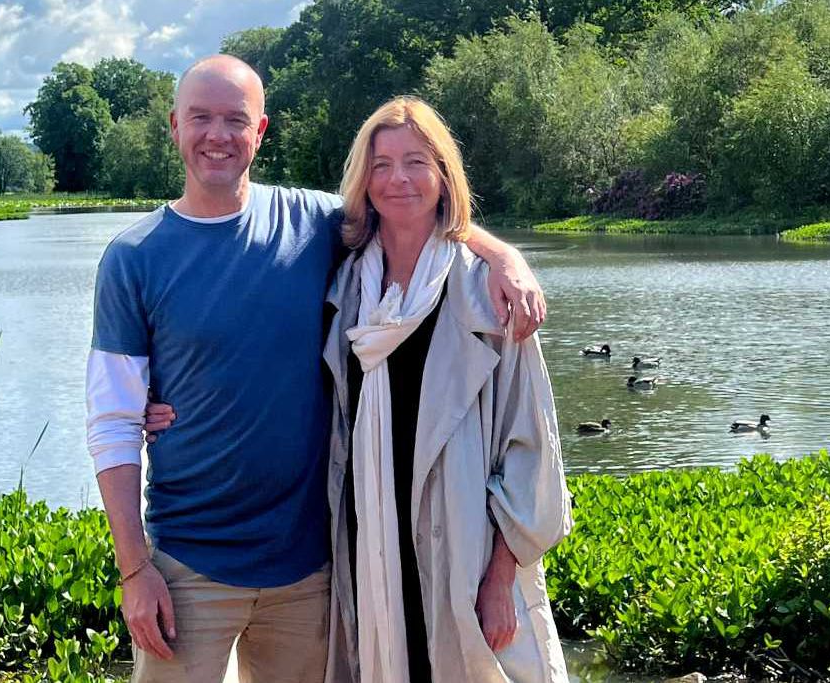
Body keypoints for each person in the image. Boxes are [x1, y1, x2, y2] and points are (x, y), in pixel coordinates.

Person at [84, 56, 547, 683]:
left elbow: (411, 206)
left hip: (310, 570)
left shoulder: (312, 223)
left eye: (234, 119)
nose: (217, 135)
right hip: (188, 567)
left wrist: (503, 254)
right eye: (200, 118)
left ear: (261, 130)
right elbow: (112, 424)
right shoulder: (132, 258)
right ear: (174, 125)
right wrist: (135, 571)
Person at [322, 96, 571, 683]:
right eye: (380, 165)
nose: (398, 179)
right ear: (363, 178)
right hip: (369, 546)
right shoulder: (346, 286)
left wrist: (501, 577)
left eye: (415, 162)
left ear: (443, 175)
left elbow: (531, 448)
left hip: (464, 552)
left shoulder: (487, 293)